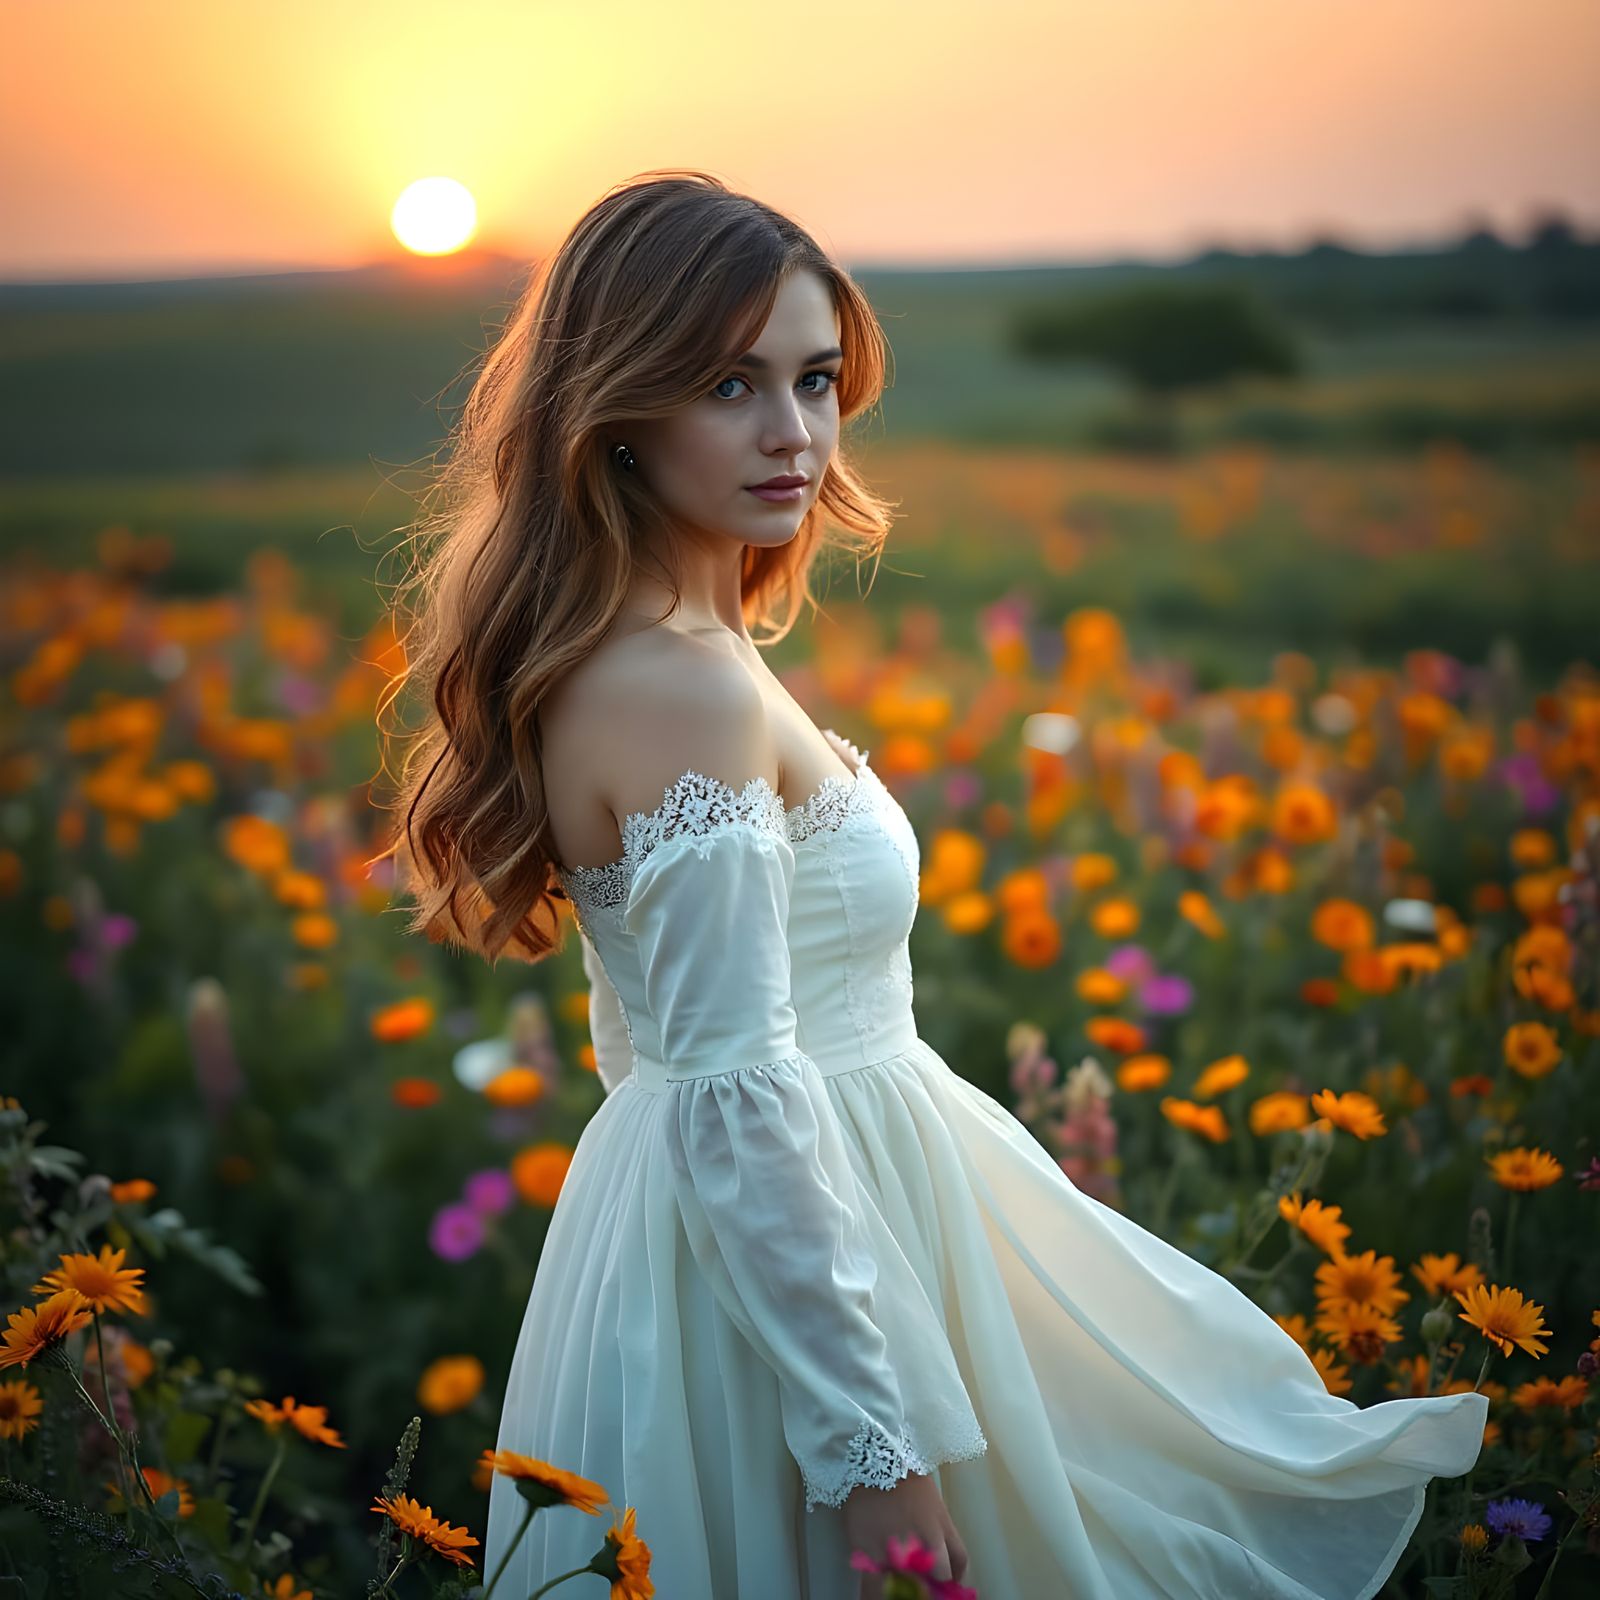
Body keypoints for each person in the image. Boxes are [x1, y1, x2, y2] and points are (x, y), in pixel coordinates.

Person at [379, 170, 1488, 1599]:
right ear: (619, 411)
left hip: (824, 1227)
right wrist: (868, 1446)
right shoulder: (673, 683)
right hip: (786, 1277)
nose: (794, 431)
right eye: (730, 384)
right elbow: (731, 1094)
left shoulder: (666, 650)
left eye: (816, 378)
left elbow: (649, 1043)